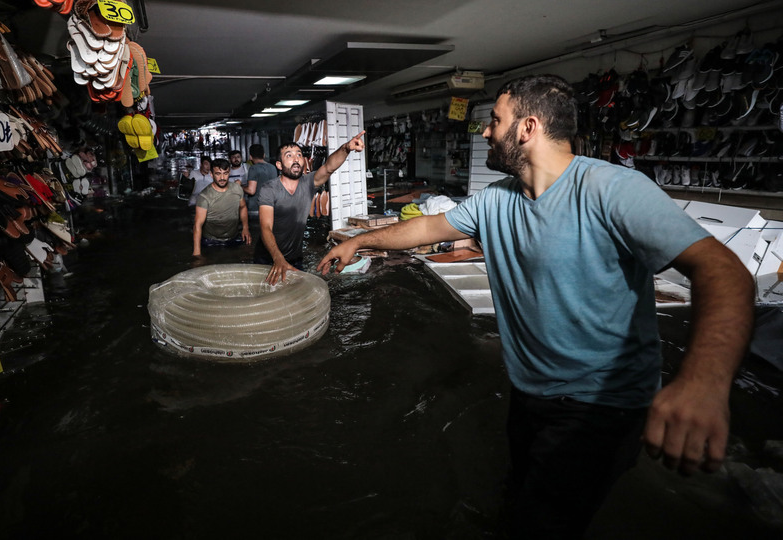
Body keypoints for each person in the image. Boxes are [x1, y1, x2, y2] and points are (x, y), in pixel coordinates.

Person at [317, 74, 754, 539]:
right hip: (531, 395)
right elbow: (424, 230)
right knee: (522, 497)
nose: (485, 132)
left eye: (495, 121)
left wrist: (704, 383)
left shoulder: (611, 189)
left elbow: (724, 272)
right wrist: (360, 241)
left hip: (600, 407)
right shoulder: (496, 201)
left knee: (541, 523)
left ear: (527, 128)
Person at [257, 132, 365, 285]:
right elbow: (265, 227)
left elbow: (328, 167)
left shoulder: (308, 182)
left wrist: (346, 148)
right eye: (289, 155)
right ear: (279, 165)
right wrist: (277, 258)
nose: (296, 159)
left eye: (299, 155)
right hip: (268, 258)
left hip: (295, 257)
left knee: (295, 297)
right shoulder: (269, 189)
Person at [192, 158, 251, 256]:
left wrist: (245, 228)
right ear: (211, 174)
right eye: (218, 174)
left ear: (229, 173)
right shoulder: (204, 196)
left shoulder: (237, 189)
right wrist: (197, 253)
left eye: (225, 173)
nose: (222, 178)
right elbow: (197, 225)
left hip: (233, 237)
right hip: (211, 241)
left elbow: (243, 207)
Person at [243, 143, 278, 216]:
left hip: (256, 207)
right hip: (271, 206)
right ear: (264, 155)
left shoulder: (253, 168)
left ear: (250, 157)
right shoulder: (273, 167)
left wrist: (239, 186)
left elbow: (251, 190)